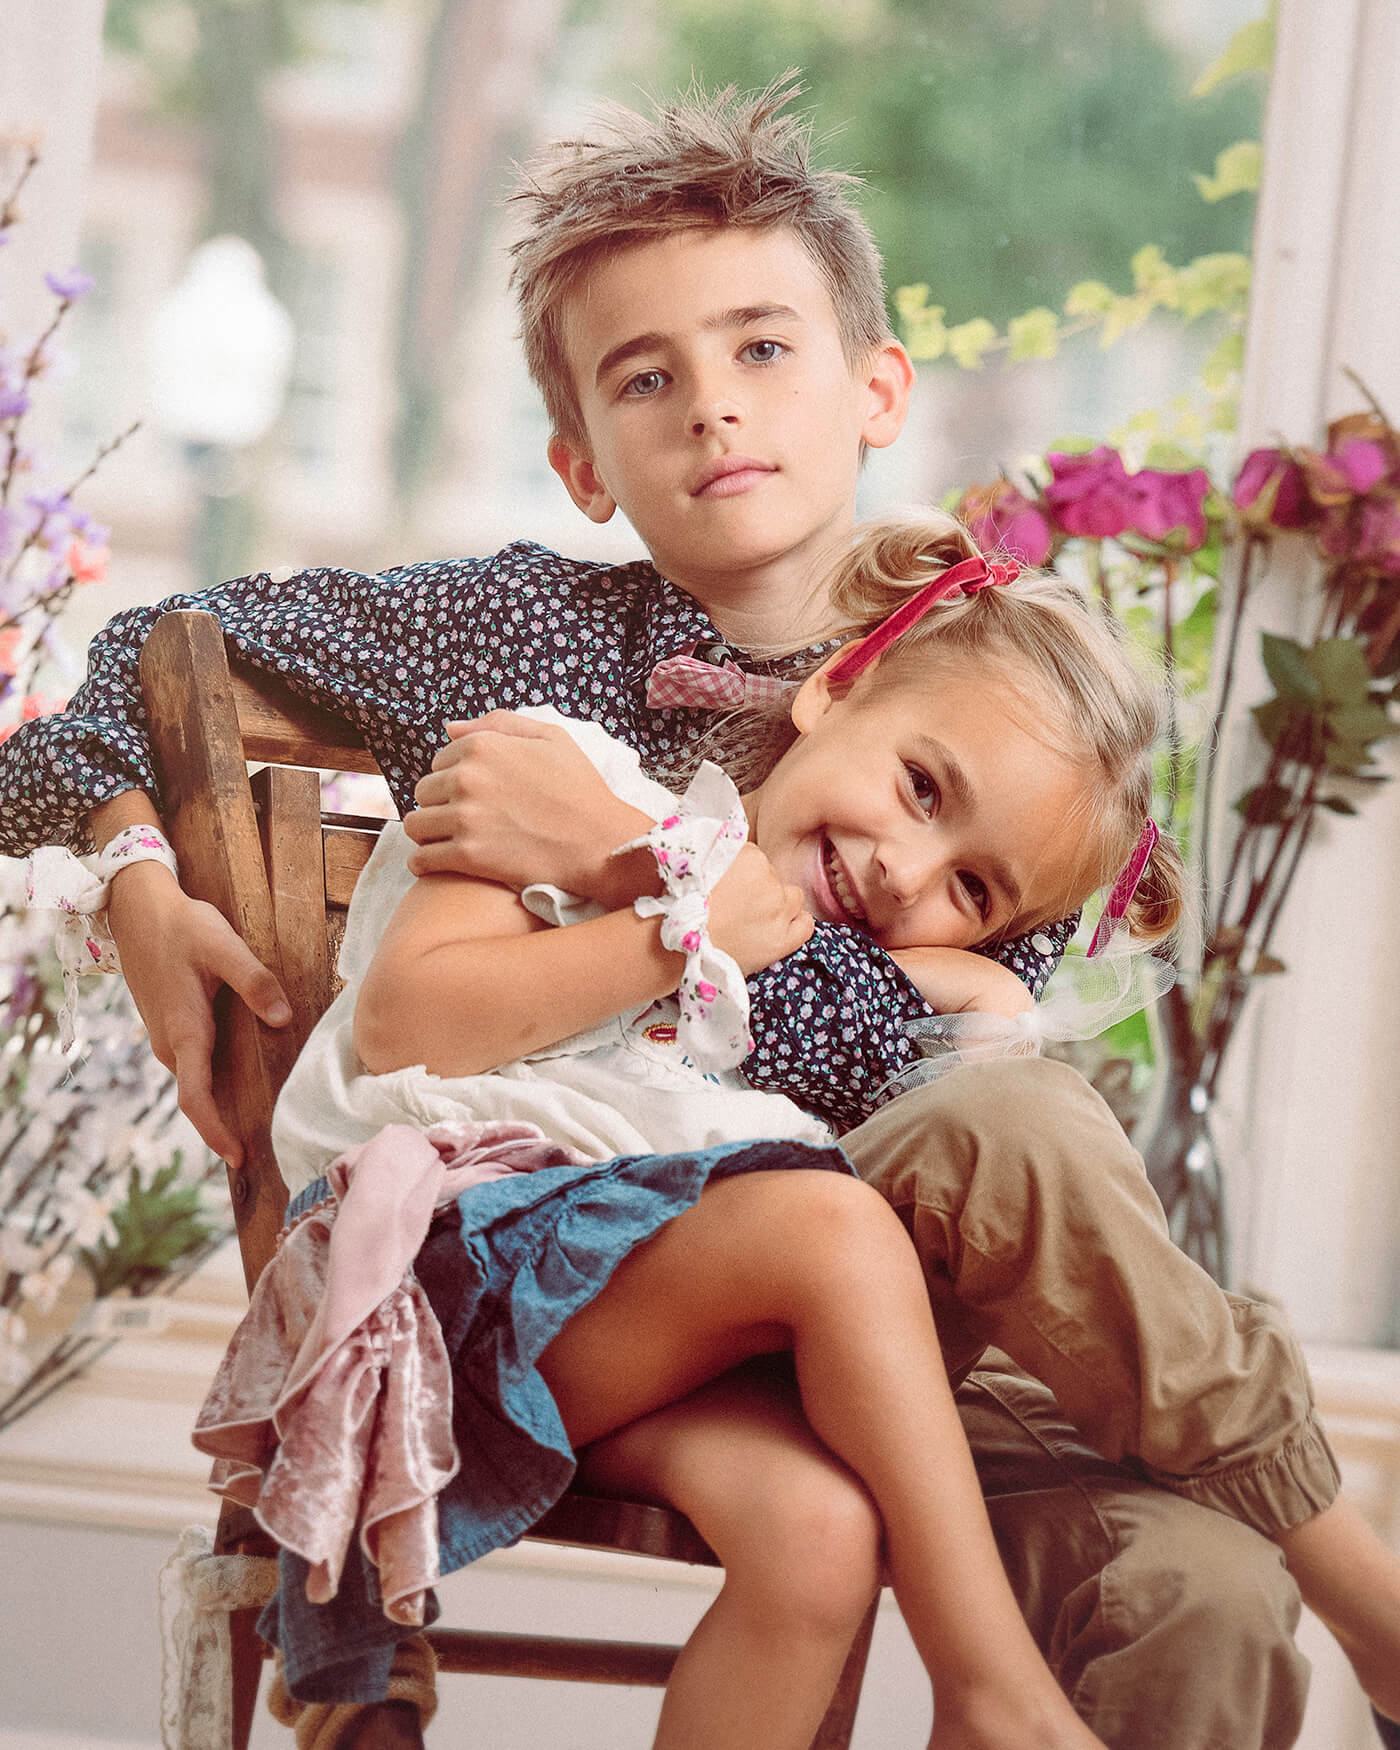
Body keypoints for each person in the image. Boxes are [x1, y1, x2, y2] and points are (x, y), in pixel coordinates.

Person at [3, 83, 1315, 1747]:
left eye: (765, 348)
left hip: (938, 1334)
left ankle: (1300, 1560)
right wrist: (128, 865)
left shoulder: (995, 711)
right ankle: (1174, 1626)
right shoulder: (520, 655)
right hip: (635, 1276)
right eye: (649, 377)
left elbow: (938, 1071)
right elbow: (144, 658)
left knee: (1212, 1597)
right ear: (585, 461)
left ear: (877, 387)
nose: (714, 409)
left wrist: (664, 879)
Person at [198, 528, 1197, 1750]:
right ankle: (991, 1686)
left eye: (972, 891)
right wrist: (678, 920)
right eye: (923, 789)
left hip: (622, 1347)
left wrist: (974, 991)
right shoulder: (569, 782)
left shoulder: (832, 1000)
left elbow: (972, 1145)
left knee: (821, 1534)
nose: (903, 867)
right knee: (828, 1225)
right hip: (435, 1281)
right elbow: (415, 1018)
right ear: (840, 690)